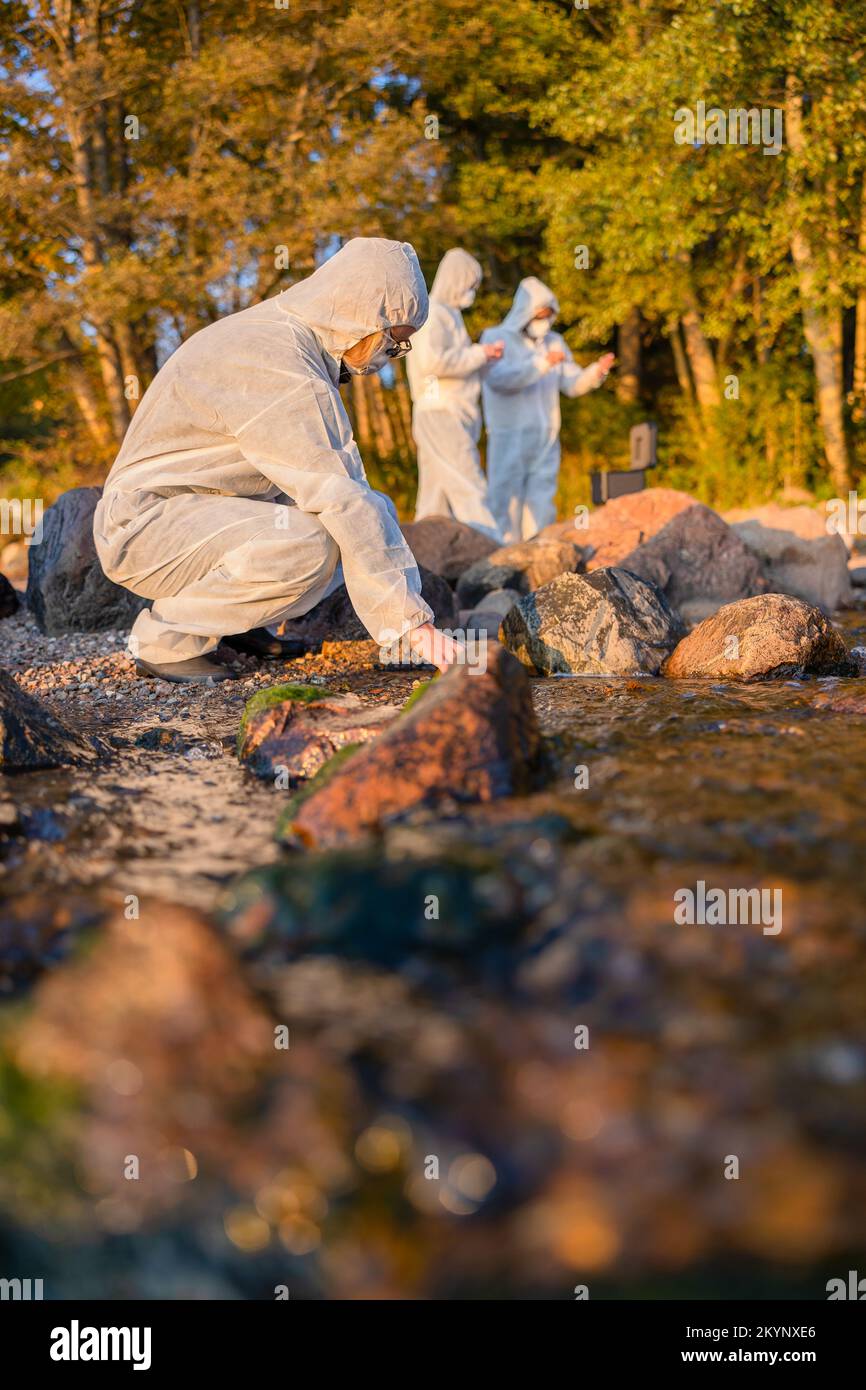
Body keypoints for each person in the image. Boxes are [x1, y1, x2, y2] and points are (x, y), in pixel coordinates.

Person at [93, 237, 463, 683]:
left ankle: (239, 625)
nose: (390, 359)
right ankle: (164, 639)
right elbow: (339, 493)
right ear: (363, 316)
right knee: (313, 542)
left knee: (367, 511)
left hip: (192, 512)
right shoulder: (277, 361)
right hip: (146, 525)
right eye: (393, 343)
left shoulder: (284, 337)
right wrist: (414, 628)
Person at [481, 277, 615, 543]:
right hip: (510, 434)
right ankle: (502, 558)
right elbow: (500, 380)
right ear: (525, 313)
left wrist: (595, 372)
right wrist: (542, 364)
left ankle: (539, 555)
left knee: (541, 499)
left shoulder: (554, 341)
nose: (544, 322)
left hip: (545, 434)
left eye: (549, 317)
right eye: (540, 316)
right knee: (505, 498)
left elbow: (572, 383)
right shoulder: (496, 338)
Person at [406, 248, 503, 538]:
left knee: (434, 500)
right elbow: (432, 363)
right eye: (469, 285)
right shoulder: (434, 313)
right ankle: (492, 549)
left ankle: (424, 557)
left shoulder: (450, 315)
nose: (471, 291)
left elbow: (459, 365)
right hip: (441, 412)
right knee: (469, 483)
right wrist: (479, 353)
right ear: (455, 279)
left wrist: (483, 359)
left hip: (447, 412)